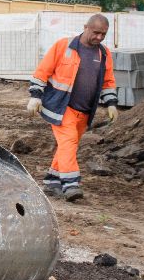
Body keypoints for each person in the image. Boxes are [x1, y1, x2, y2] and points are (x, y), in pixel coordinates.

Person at [27, 14, 117, 201]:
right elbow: (43, 71)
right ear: (86, 27)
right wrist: (35, 96)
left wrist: (111, 104)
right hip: (61, 106)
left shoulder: (104, 54)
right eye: (96, 32)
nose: (99, 37)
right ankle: (71, 184)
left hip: (85, 110)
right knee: (68, 142)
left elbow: (108, 81)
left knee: (69, 145)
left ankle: (52, 181)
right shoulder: (63, 46)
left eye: (103, 34)